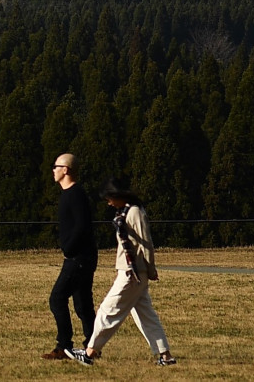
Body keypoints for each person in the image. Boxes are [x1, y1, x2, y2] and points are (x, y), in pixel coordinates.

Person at [74, 178, 175, 366]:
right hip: (133, 271)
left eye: (110, 199)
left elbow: (147, 243)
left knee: (108, 310)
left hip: (132, 273)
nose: (109, 203)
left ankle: (90, 353)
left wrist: (151, 269)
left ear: (119, 195)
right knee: (145, 315)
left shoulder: (135, 212)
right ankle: (165, 356)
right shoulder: (125, 211)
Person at [45, 151, 98, 361]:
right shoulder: (70, 194)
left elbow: (82, 226)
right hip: (83, 257)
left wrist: (68, 248)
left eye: (56, 166)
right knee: (83, 304)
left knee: (57, 298)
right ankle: (93, 345)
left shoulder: (74, 194)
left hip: (78, 258)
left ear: (65, 170)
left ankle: (64, 345)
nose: (53, 170)